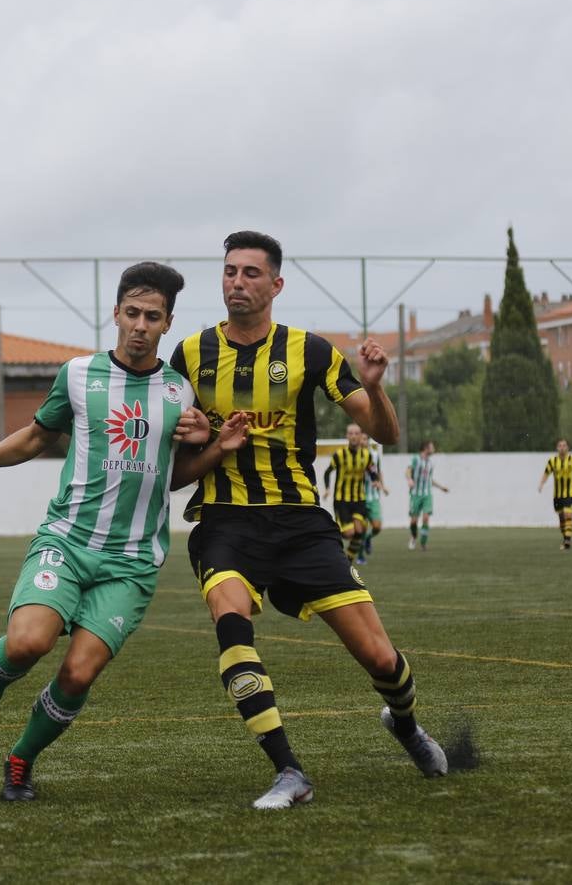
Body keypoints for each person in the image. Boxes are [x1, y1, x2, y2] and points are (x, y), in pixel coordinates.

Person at [0, 261, 248, 802]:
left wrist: (215, 448)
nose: (140, 325)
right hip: (68, 542)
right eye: (132, 313)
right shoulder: (77, 375)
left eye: (153, 316)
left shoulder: (180, 394)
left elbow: (174, 476)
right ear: (115, 313)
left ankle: (20, 761)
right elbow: (35, 438)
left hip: (132, 562)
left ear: (168, 323)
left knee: (77, 675)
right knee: (29, 642)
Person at [169, 230, 448, 811]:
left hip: (301, 524)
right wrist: (210, 447)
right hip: (225, 523)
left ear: (276, 284)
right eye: (228, 272)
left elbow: (385, 434)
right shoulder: (189, 357)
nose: (236, 282)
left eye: (249, 273)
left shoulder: (311, 351)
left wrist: (376, 391)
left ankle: (405, 724)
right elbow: (174, 475)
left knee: (379, 658)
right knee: (230, 616)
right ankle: (289, 771)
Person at [322, 423, 380, 566]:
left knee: (359, 531)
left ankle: (347, 562)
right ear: (347, 436)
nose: (354, 436)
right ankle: (332, 536)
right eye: (351, 433)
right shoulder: (339, 455)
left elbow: (372, 471)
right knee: (349, 534)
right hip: (342, 500)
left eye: (356, 433)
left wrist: (375, 481)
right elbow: (328, 471)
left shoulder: (366, 455)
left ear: (361, 437)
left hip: (359, 499)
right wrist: (328, 488)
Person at [539, 438, 572, 550]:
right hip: (557, 496)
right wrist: (541, 484)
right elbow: (546, 473)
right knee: (561, 519)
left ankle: (567, 540)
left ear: (568, 447)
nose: (562, 448)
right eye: (560, 445)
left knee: (568, 515)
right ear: (557, 448)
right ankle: (565, 538)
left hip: (570, 494)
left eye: (564, 445)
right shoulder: (552, 461)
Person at [406, 440, 449, 551]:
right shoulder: (415, 459)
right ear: (426, 448)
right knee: (413, 521)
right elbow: (408, 470)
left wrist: (441, 487)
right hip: (415, 494)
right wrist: (410, 479)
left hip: (427, 494)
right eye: (432, 447)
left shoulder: (431, 463)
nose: (433, 449)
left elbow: (429, 480)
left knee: (425, 518)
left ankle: (423, 543)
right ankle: (414, 536)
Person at [362, 435, 390, 559]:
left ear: (367, 441)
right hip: (359, 497)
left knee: (377, 527)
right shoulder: (353, 455)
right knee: (361, 527)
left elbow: (378, 472)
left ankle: (368, 539)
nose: (362, 441)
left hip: (373, 496)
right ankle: (360, 556)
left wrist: (383, 486)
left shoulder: (374, 455)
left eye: (364, 439)